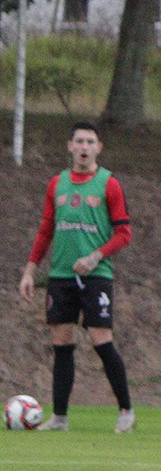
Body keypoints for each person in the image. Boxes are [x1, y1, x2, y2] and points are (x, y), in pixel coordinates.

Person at [17, 121, 135, 433]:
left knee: (101, 340)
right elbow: (45, 231)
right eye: (79, 141)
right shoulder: (56, 184)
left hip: (96, 275)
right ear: (70, 146)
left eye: (90, 142)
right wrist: (30, 270)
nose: (84, 147)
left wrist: (96, 255)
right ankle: (59, 417)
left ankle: (125, 410)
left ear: (99, 147)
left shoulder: (109, 184)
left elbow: (124, 233)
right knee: (62, 344)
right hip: (60, 275)